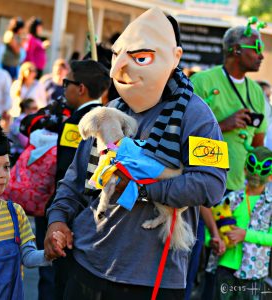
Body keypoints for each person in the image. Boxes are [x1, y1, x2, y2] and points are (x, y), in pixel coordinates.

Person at [44, 7, 227, 299]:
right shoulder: (109, 112)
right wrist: (57, 220)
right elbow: (76, 179)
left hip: (150, 279)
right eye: (119, 57)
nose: (121, 69)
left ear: (174, 58)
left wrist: (143, 189)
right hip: (85, 262)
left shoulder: (198, 117)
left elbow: (212, 185)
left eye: (140, 57)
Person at [20, 59, 110, 300]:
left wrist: (60, 216)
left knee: (54, 278)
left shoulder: (77, 123)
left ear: (80, 88)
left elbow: (68, 172)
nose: (63, 88)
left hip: (69, 215)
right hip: (95, 217)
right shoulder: (108, 118)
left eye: (66, 83)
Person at [0, 117, 54, 300]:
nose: (2, 174)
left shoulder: (15, 212)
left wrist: (48, 254)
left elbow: (28, 256)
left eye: (6, 167)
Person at [191, 25, 267, 192]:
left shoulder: (256, 92)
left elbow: (258, 146)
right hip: (203, 186)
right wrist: (223, 126)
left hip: (238, 190)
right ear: (236, 50)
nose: (261, 56)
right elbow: (183, 137)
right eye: (257, 49)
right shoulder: (202, 82)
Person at [210, 146, 272, 299]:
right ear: (245, 169)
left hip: (254, 272)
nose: (256, 173)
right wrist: (213, 240)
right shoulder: (231, 199)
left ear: (270, 176)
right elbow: (213, 224)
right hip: (225, 266)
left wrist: (245, 235)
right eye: (252, 168)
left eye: (262, 170)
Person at [7, 98, 38, 165]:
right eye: (34, 108)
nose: (36, 110)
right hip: (16, 156)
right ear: (26, 109)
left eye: (36, 108)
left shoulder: (30, 121)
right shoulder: (19, 122)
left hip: (24, 154)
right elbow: (25, 143)